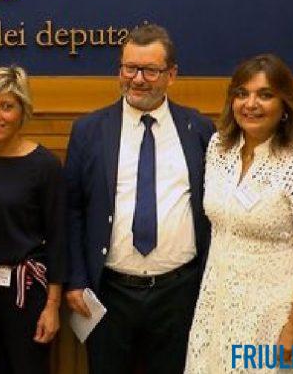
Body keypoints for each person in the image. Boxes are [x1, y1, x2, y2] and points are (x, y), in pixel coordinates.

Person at [64, 23, 215, 373]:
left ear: (171, 75)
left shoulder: (198, 129)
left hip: (179, 293)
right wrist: (76, 279)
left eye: (150, 70)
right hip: (109, 292)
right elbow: (72, 210)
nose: (138, 79)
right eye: (129, 68)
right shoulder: (89, 130)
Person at [185, 54, 293, 372]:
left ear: (285, 106)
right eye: (242, 94)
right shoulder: (218, 148)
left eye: (265, 95)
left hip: (277, 315)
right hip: (218, 307)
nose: (250, 104)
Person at [0, 66, 64, 373]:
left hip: (26, 294)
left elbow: (59, 239)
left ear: (23, 112)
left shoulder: (44, 165)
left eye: (6, 106)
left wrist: (52, 307)